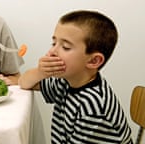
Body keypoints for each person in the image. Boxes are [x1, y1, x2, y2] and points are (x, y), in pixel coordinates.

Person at [18, 10, 133, 143]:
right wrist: (40, 72)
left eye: (65, 47)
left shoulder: (93, 107)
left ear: (93, 61)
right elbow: (24, 83)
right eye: (54, 43)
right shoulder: (66, 80)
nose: (52, 52)